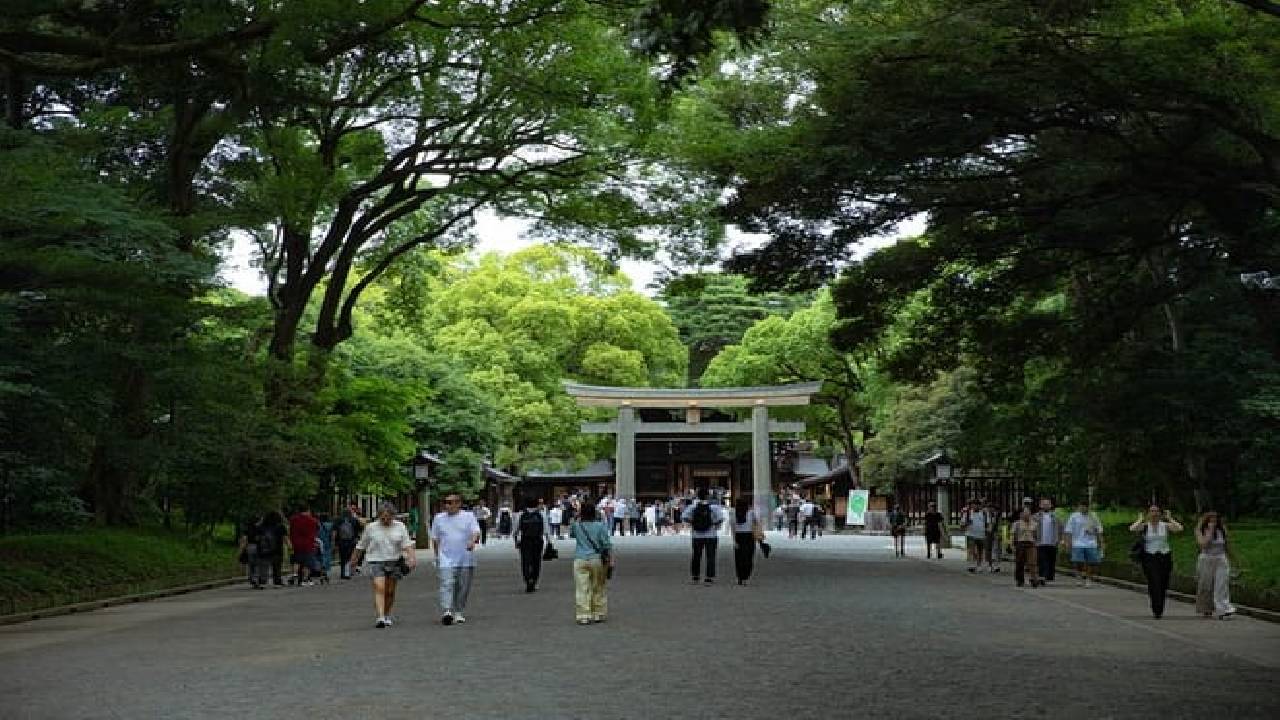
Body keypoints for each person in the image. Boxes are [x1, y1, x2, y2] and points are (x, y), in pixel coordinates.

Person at [347, 502, 416, 628]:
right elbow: (361, 545)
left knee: (390, 591)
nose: (385, 520)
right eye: (382, 517)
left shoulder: (400, 526)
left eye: (388, 517)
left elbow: (407, 544)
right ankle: (380, 617)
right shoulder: (371, 527)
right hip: (375, 561)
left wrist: (412, 558)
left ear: (393, 516)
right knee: (380, 588)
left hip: (394, 561)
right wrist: (354, 559)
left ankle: (386, 614)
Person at [430, 493, 481, 626]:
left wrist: (472, 541)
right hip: (445, 556)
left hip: (465, 557)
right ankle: (447, 611)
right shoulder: (439, 518)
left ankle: (458, 611)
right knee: (446, 583)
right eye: (445, 502)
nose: (447, 505)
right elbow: (435, 538)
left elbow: (476, 531)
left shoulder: (468, 516)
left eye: (450, 502)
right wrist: (437, 555)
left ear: (458, 503)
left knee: (462, 585)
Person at [1130, 505, 1183, 619]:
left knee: (1163, 582)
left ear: (1160, 514)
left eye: (1156, 511)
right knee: (1154, 581)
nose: (1154, 514)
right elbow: (1132, 528)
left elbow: (1179, 528)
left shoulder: (1164, 526)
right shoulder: (1145, 526)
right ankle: (1155, 607)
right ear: (1148, 514)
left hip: (1164, 555)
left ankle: (1160, 606)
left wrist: (1170, 518)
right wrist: (1140, 519)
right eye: (1152, 511)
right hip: (1150, 557)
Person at [569, 500, 612, 625]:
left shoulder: (577, 526)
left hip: (580, 558)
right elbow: (606, 544)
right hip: (596, 558)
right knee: (598, 586)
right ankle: (598, 613)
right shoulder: (600, 526)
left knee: (582, 588)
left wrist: (577, 517)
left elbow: (572, 534)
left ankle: (583, 615)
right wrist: (610, 558)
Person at [1194, 511, 1236, 620]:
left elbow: (1227, 545)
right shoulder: (1200, 530)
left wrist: (1234, 559)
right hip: (1206, 559)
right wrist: (1210, 532)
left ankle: (1224, 609)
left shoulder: (1222, 530)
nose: (1213, 522)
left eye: (1215, 520)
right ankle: (1206, 609)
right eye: (1210, 520)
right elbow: (1203, 544)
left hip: (1221, 559)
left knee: (1221, 584)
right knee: (1206, 586)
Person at [682, 488, 726, 585]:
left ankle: (695, 577)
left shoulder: (692, 507)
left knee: (696, 556)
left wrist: (694, 523)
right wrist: (712, 524)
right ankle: (709, 578)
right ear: (708, 496)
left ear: (697, 496)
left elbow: (684, 517)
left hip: (696, 535)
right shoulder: (714, 507)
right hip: (711, 535)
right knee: (711, 556)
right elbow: (721, 518)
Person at [1064, 500, 1104, 587]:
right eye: (1082, 506)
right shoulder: (1074, 516)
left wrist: (1101, 541)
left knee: (1091, 562)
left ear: (1088, 507)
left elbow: (1099, 529)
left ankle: (1088, 579)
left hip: (1091, 543)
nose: (1083, 508)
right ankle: (1079, 576)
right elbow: (1068, 530)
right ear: (1079, 507)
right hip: (1077, 542)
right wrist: (1068, 542)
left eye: (1085, 506)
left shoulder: (1093, 516)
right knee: (1078, 561)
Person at [513, 496, 548, 593]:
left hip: (525, 540)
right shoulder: (541, 514)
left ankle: (528, 580)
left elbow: (515, 531)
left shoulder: (520, 514)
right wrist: (549, 541)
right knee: (536, 562)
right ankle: (534, 580)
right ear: (537, 504)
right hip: (537, 540)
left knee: (525, 562)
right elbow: (546, 530)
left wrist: (516, 541)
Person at [730, 497, 764, 585]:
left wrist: (734, 540)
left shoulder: (733, 512)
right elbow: (757, 522)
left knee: (738, 558)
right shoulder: (751, 512)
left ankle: (739, 577)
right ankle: (746, 577)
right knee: (749, 557)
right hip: (749, 536)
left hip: (738, 536)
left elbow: (732, 527)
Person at [1033, 498, 1064, 583]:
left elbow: (1061, 528)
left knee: (1051, 560)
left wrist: (1061, 539)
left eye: (1048, 504)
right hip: (1040, 542)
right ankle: (1042, 576)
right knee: (1042, 560)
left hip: (1052, 542)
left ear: (1051, 505)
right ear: (1040, 505)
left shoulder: (1055, 517)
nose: (1046, 506)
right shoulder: (1036, 516)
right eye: (1044, 504)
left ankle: (1048, 576)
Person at [288, 507, 321, 586]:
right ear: (308, 511)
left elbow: (290, 530)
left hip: (296, 543)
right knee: (307, 563)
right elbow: (317, 529)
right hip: (308, 544)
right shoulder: (313, 520)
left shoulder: (293, 519)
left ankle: (294, 575)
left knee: (297, 560)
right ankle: (305, 579)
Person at [1010, 508, 1041, 587]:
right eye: (1025, 514)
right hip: (1020, 544)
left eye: (1028, 513)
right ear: (1021, 515)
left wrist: (1037, 543)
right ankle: (1020, 580)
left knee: (1032, 563)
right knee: (1019, 563)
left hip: (1031, 544)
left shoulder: (1035, 524)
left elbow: (1037, 536)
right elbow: (1012, 535)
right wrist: (1012, 545)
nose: (1027, 515)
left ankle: (1034, 579)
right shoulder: (1016, 524)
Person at [332, 507, 363, 580]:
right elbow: (360, 529)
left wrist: (333, 541)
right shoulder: (354, 520)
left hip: (341, 541)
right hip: (351, 541)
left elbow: (334, 532)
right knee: (349, 557)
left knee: (343, 557)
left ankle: (343, 573)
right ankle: (348, 572)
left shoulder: (338, 519)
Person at [962, 500, 988, 573]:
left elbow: (987, 523)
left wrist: (986, 531)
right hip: (971, 534)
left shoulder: (983, 513)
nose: (974, 506)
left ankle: (979, 565)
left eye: (976, 505)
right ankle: (972, 564)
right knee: (972, 550)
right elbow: (962, 524)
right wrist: (967, 523)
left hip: (981, 534)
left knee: (980, 551)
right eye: (973, 505)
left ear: (979, 506)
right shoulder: (967, 513)